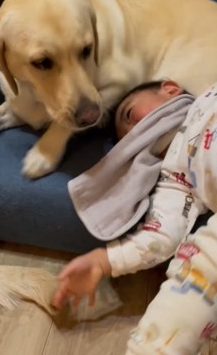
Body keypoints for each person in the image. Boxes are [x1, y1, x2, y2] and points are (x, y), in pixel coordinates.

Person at [52, 80, 217, 354]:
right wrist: (104, 261)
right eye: (127, 140)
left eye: (128, 115)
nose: (133, 132)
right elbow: (161, 235)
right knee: (196, 269)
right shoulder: (174, 176)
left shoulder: (207, 97)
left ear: (170, 88)